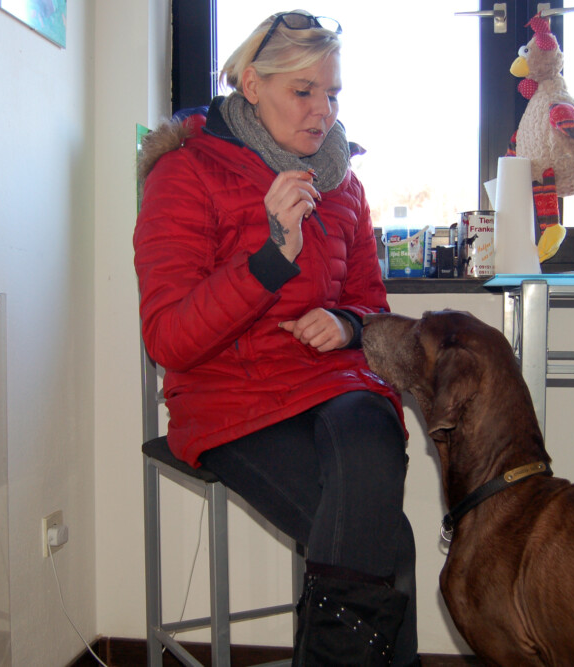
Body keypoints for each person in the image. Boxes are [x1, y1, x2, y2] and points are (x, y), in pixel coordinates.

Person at [133, 9, 419, 667]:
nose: (324, 111)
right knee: (389, 545)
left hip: (334, 383)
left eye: (333, 93)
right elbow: (168, 338)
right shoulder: (185, 173)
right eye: (304, 91)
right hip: (234, 397)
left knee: (369, 424)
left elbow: (372, 306)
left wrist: (347, 324)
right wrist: (269, 259)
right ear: (252, 85)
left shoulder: (343, 183)